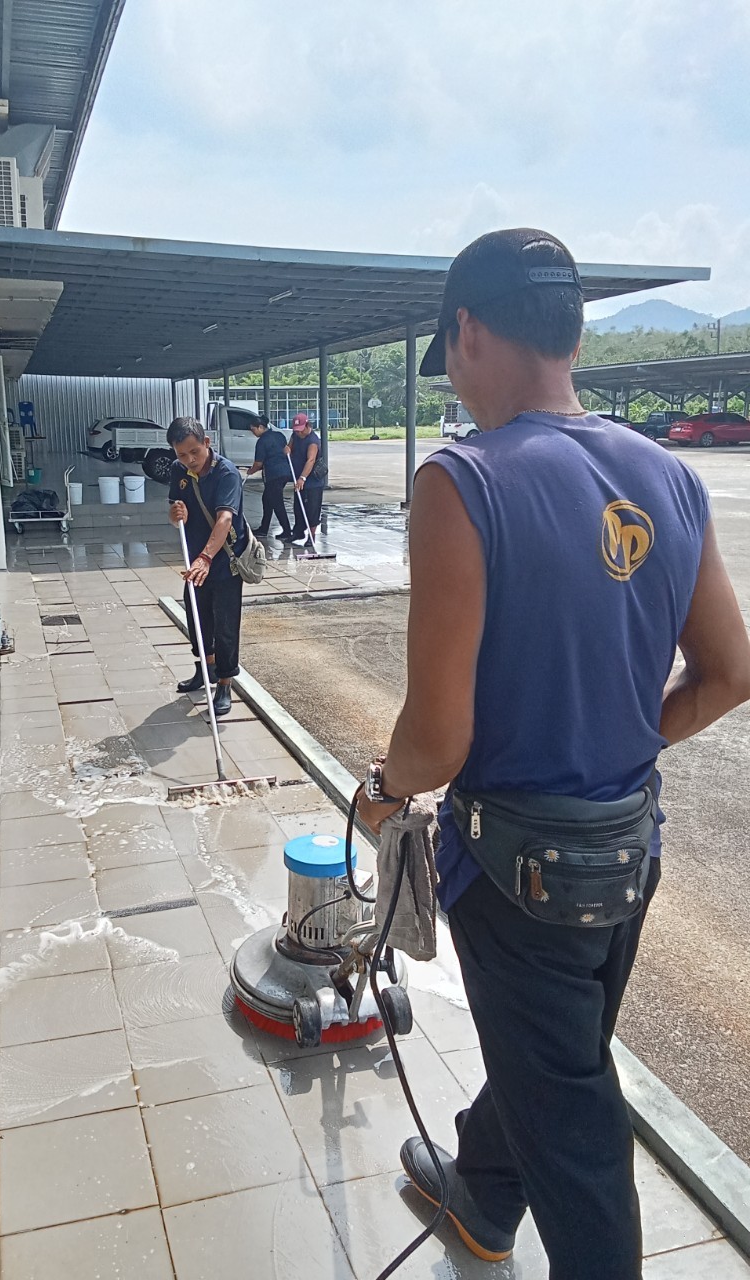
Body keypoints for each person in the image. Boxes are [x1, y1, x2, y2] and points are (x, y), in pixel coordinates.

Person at [356, 228, 750, 1278]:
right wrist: (620, 734)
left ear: (468, 331)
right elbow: (728, 672)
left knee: (575, 1125)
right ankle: (484, 1197)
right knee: (555, 1053)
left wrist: (381, 790)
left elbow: (438, 738)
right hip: (626, 856)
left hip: (517, 877)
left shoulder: (462, 481)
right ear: (572, 335)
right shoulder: (670, 477)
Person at [167, 416, 248, 717]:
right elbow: (174, 512)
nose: (189, 460)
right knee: (197, 618)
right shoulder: (178, 471)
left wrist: (206, 558)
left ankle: (225, 683)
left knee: (225, 624)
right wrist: (175, 514)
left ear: (207, 443)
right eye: (182, 454)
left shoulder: (227, 473)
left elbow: (225, 519)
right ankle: (206, 668)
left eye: (194, 452)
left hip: (224, 560)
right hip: (196, 560)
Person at [248, 413, 293, 541]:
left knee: (276, 502)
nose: (253, 433)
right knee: (267, 499)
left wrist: (251, 471)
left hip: (273, 475)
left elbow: (258, 463)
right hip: (285, 472)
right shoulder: (279, 435)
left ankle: (287, 531)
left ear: (260, 427)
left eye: (253, 429)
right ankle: (264, 528)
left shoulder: (262, 442)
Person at [285, 411, 325, 546]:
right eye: (296, 430)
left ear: (307, 426)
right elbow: (289, 446)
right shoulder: (295, 436)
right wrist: (287, 449)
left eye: (301, 430)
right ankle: (298, 532)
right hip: (298, 479)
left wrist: (302, 478)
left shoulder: (313, 441)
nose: (299, 433)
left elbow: (310, 460)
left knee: (312, 510)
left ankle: (311, 536)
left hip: (312, 481)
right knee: (298, 507)